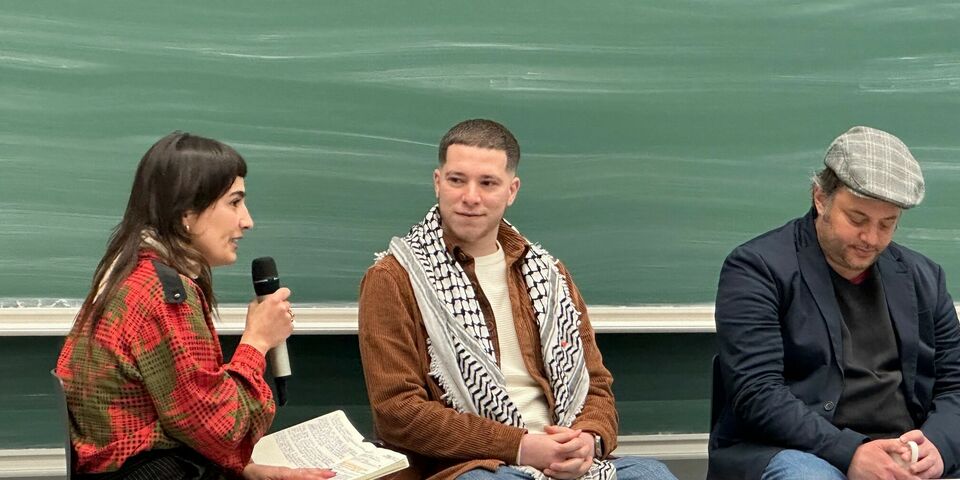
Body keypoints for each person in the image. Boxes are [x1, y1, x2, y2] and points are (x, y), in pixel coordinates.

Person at [357, 119, 676, 480]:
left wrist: (587, 440)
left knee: (654, 474)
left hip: (568, 459)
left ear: (511, 191)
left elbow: (595, 384)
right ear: (437, 182)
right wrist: (521, 446)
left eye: (488, 183)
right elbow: (397, 412)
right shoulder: (394, 277)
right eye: (457, 180)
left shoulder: (549, 274)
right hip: (473, 466)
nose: (470, 197)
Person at [55, 132, 334, 480]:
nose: (247, 221)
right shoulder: (162, 295)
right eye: (234, 203)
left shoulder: (130, 274)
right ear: (187, 212)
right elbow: (222, 431)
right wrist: (258, 341)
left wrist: (247, 471)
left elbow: (186, 421)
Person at [709, 126, 960, 480]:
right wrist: (850, 452)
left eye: (887, 224)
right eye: (857, 219)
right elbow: (757, 393)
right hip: (801, 450)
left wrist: (938, 446)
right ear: (820, 198)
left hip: (905, 449)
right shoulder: (756, 268)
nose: (870, 238)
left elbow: (955, 384)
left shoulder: (924, 277)